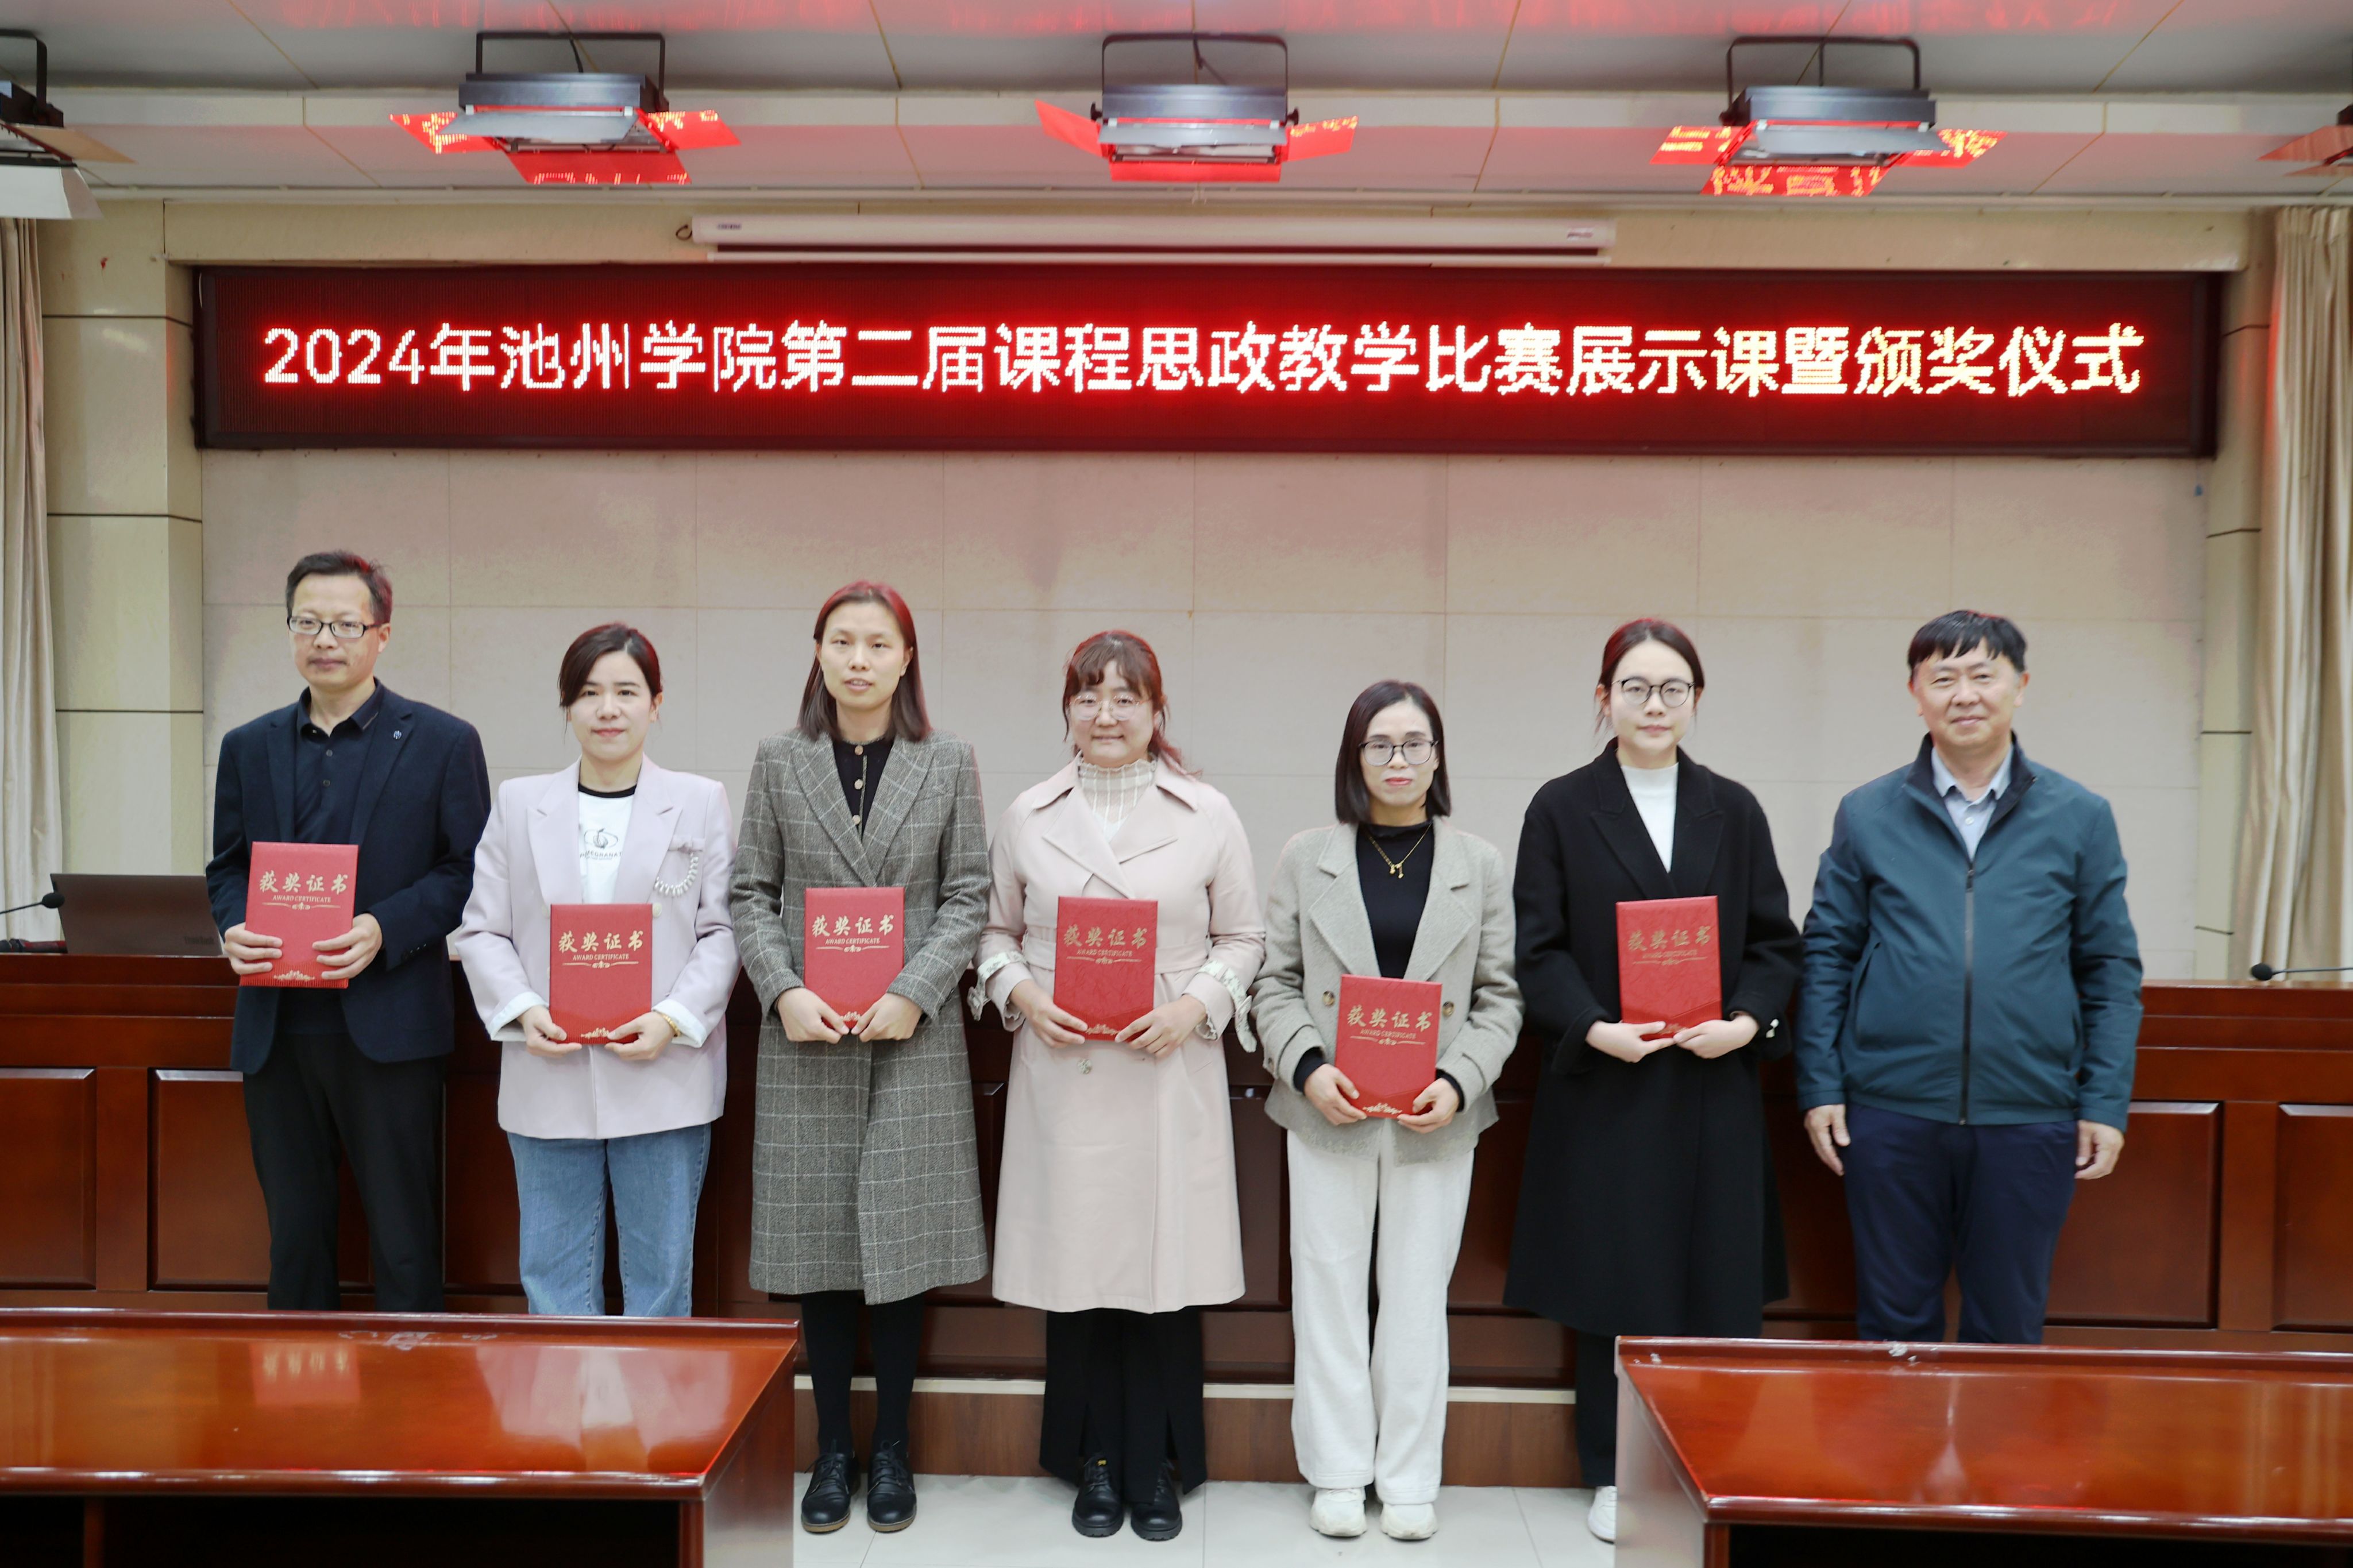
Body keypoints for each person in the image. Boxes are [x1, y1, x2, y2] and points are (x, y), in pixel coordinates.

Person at [1502, 618, 1801, 1546]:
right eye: (1634, 687)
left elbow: (1775, 943)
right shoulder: (1561, 807)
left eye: (1673, 688)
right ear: (1604, 700)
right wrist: (1596, 1026)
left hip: (1712, 1081)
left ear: (1696, 701)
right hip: (1609, 1081)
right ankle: (1614, 1470)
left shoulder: (1733, 809)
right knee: (1613, 1283)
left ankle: (1714, 1465)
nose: (1654, 704)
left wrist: (1745, 1022)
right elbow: (1538, 949)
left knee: (1717, 1285)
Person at [977, 631, 1264, 1543]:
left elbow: (1246, 937)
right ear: (1066, 709)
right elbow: (993, 932)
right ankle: (1094, 1461)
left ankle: (1158, 1465)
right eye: (1088, 696)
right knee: (1081, 1280)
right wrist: (1023, 995)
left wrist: (1195, 1006)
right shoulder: (1028, 814)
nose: (1106, 714)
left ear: (1157, 710)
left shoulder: (1207, 812)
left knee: (1162, 1279)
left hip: (1164, 1068)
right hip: (1066, 1070)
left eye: (1125, 697)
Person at [1795, 611, 2140, 1350]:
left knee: (2007, 1331)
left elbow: (2109, 968)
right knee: (1893, 1329)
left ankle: (1998, 1439)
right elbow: (1826, 954)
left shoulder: (2079, 817)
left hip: (2029, 1113)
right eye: (1943, 677)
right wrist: (1820, 1085)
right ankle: (1898, 1436)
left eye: (1983, 675)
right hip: (1889, 1111)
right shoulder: (1867, 813)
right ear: (1914, 693)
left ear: (2021, 686)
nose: (1964, 694)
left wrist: (2104, 1101)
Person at [728, 581, 990, 1536]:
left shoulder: (947, 759)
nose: (859, 660)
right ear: (819, 651)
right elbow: (749, 891)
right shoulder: (780, 759)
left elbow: (969, 895)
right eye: (842, 641)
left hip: (911, 1038)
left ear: (906, 658)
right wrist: (783, 989)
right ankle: (833, 1448)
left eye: (878, 644)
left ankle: (894, 1451)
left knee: (904, 1253)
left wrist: (913, 991)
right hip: (807, 1038)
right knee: (824, 1256)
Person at [1251, 681, 1520, 1542]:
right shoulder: (1308, 856)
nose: (1397, 759)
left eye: (1414, 743)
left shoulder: (1478, 863)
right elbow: (1274, 983)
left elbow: (1500, 996)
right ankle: (1337, 1471)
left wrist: (1460, 1080)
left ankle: (1408, 1476)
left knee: (1415, 1297)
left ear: (1438, 757)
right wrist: (1308, 1067)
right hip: (1328, 1109)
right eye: (1379, 744)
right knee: (1327, 1289)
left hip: (1436, 1116)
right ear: (1354, 757)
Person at [207, 549, 491, 1312]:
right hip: (278, 1025)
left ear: (381, 634)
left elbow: (468, 870)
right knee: (294, 1237)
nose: (324, 639)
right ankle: (297, 1385)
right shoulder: (248, 746)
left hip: (388, 1022)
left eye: (343, 624)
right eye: (307, 623)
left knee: (404, 1237)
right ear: (289, 630)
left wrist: (383, 927)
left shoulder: (443, 742)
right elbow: (227, 867)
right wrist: (232, 925)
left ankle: (410, 1379)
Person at [454, 623, 738, 1318]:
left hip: (664, 1070)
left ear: (656, 704)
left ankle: (655, 1399)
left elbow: (724, 929)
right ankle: (563, 1397)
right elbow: (482, 929)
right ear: (568, 706)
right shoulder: (520, 803)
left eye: (626, 692)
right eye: (588, 693)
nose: (607, 709)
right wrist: (524, 1010)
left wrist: (672, 1018)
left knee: (661, 1283)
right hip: (548, 1068)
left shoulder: (699, 800)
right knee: (551, 1281)